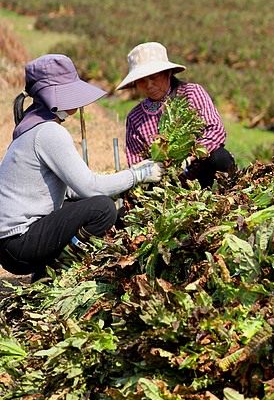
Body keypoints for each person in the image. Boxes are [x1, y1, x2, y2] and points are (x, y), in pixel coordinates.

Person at [0, 55, 163, 280]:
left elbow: (68, 191)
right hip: (19, 243)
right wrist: (137, 174)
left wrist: (118, 182)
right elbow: (90, 187)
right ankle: (56, 273)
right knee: (102, 209)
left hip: (12, 244)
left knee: (87, 203)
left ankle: (46, 272)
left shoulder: (34, 127)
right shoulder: (49, 132)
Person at [117, 42, 234, 187]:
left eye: (154, 77)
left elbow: (216, 130)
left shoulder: (191, 94)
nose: (149, 85)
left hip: (203, 171)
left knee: (220, 157)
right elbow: (136, 160)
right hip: (166, 183)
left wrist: (190, 155)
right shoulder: (135, 117)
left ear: (168, 73)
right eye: (141, 81)